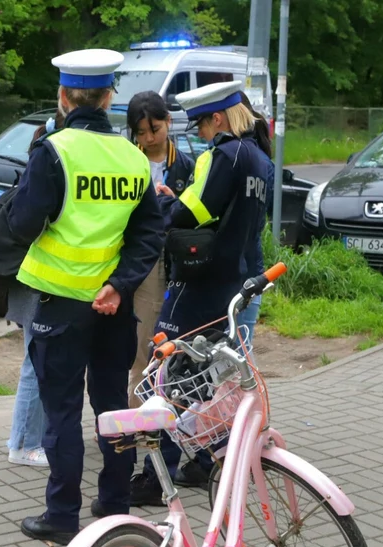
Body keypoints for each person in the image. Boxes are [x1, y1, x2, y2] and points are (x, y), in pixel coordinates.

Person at [8, 49, 164, 545]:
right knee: (111, 407)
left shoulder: (54, 151)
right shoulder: (133, 158)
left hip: (59, 304)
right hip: (112, 307)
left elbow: (21, 224)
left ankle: (61, 515)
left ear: (63, 96)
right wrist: (118, 286)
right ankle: (115, 505)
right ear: (108, 96)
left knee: (61, 412)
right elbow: (148, 235)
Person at [130, 81, 272, 505]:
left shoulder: (223, 154)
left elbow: (191, 212)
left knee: (168, 376)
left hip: (202, 282)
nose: (199, 135)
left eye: (201, 125)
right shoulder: (260, 158)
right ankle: (213, 459)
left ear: (217, 118)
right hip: (239, 280)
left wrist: (158, 207)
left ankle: (157, 480)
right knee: (215, 380)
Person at [125, 91, 195, 408]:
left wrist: (174, 204)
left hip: (179, 263)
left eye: (155, 129)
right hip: (143, 261)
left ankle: (171, 415)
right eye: (141, 132)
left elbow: (197, 216)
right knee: (142, 345)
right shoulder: (125, 161)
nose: (149, 138)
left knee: (174, 344)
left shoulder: (186, 166)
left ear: (168, 121)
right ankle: (139, 419)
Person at [6, 111, 63, 468]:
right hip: (36, 285)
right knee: (34, 363)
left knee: (35, 361)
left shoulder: (35, 175)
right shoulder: (44, 179)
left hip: (32, 285)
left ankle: (22, 436)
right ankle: (24, 444)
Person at [237, 94, 276, 347]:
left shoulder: (228, 157)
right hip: (253, 268)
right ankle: (251, 388)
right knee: (243, 346)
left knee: (231, 351)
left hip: (234, 271)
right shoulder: (264, 161)